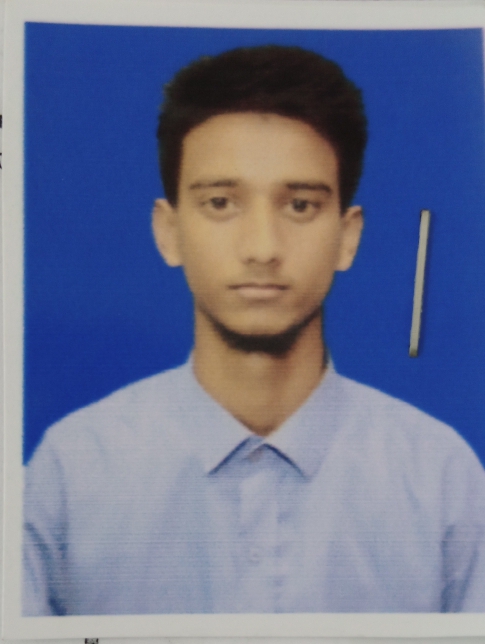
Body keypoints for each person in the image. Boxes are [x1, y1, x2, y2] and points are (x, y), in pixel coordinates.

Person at [23, 45, 485, 616]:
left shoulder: (440, 479)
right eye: (221, 203)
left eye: (300, 206)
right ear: (168, 231)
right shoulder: (71, 473)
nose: (263, 248)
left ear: (348, 237)